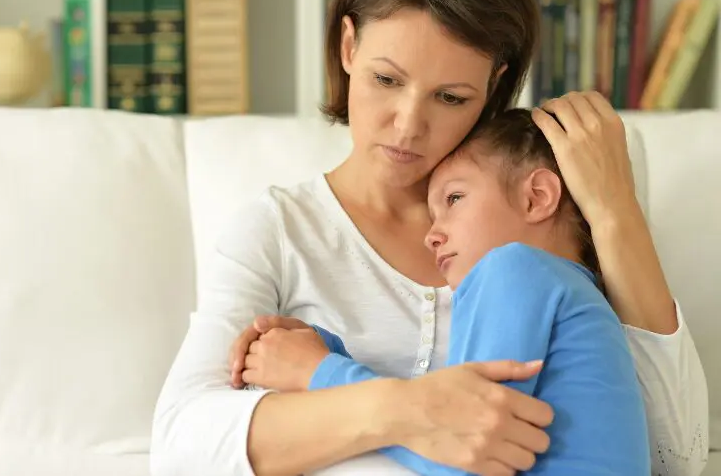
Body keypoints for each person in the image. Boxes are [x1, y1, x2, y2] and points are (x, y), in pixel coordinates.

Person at [150, 0, 709, 475]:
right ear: (348, 48)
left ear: (493, 85)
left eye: (450, 97)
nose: (408, 125)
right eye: (386, 79)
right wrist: (404, 410)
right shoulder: (279, 231)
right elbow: (181, 446)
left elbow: (677, 455)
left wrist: (613, 213)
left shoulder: (538, 235)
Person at [246, 107, 650, 475]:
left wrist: (317, 371)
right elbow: (441, 421)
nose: (431, 236)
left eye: (454, 198)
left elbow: (463, 453)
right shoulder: (578, 298)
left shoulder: (517, 268)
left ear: (536, 197)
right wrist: (329, 351)